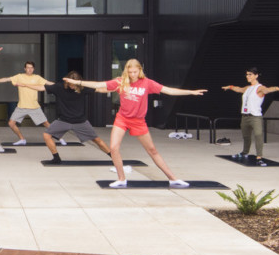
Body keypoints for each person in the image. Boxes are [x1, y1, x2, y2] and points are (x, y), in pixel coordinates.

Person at [64, 59, 206, 188]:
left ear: (140, 70)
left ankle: (173, 178)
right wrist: (78, 82)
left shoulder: (147, 83)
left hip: (138, 121)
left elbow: (168, 90)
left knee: (152, 151)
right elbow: (99, 84)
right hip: (122, 119)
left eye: (135, 72)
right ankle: (121, 179)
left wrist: (191, 92)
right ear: (126, 70)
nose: (132, 74)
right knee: (113, 148)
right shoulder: (121, 81)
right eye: (130, 72)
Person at [39, 69, 113, 163]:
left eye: (75, 84)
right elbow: (41, 88)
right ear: (67, 82)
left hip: (80, 121)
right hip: (63, 120)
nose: (73, 86)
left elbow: (100, 89)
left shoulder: (82, 88)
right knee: (46, 135)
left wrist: (117, 88)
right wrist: (25, 85)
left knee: (97, 140)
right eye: (71, 84)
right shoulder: (59, 87)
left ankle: (113, 157)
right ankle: (56, 158)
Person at [220, 68, 279, 165]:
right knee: (246, 136)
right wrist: (229, 87)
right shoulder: (248, 88)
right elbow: (239, 89)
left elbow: (267, 90)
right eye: (247, 74)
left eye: (250, 74)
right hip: (245, 116)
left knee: (258, 135)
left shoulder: (259, 88)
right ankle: (245, 152)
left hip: (255, 117)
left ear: (256, 75)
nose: (248, 76)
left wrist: (275, 88)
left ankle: (259, 157)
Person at [0, 61, 52, 145]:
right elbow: (6, 79)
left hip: (34, 107)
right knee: (11, 123)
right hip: (21, 107)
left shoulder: (37, 78)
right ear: (25, 69)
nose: (29, 69)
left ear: (33, 69)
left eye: (31, 68)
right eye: (28, 67)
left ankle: (60, 138)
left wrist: (62, 85)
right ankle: (22, 139)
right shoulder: (19, 77)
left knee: (46, 123)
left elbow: (49, 83)